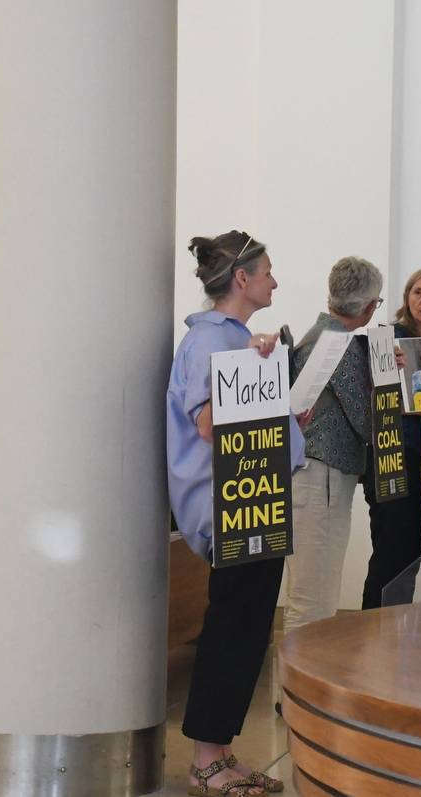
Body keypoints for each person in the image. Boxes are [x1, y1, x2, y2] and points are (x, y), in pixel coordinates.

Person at [167, 230, 305, 796]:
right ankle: (205, 759)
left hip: (255, 500)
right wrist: (252, 371)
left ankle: (221, 750)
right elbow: (208, 424)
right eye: (267, 271)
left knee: (248, 629)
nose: (275, 281)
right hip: (231, 505)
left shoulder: (236, 339)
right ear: (242, 279)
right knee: (231, 628)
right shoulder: (210, 341)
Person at [284, 257, 383, 632]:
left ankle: (294, 673)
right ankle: (294, 674)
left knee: (312, 597)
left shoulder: (323, 335)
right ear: (369, 306)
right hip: (319, 479)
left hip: (314, 478)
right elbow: (368, 422)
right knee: (314, 602)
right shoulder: (337, 344)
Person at [361, 268, 421, 608]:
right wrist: (391, 375)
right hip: (390, 457)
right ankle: (373, 628)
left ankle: (395, 628)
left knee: (410, 553)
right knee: (392, 552)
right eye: (418, 292)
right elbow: (372, 403)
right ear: (406, 298)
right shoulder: (385, 339)